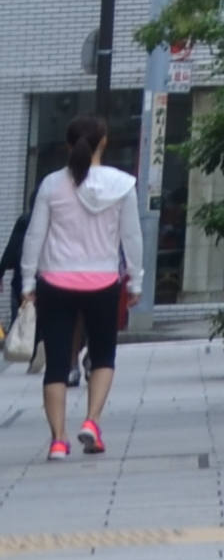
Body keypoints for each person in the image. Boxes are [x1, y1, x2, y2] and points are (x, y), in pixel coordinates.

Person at [28, 119, 139, 459]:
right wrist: (135, 279)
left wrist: (29, 280)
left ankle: (58, 440)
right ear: (103, 143)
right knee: (104, 355)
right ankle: (91, 423)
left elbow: (35, 235)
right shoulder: (122, 185)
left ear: (67, 146)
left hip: (55, 282)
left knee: (57, 363)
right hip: (103, 282)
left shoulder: (51, 185)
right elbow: (131, 237)